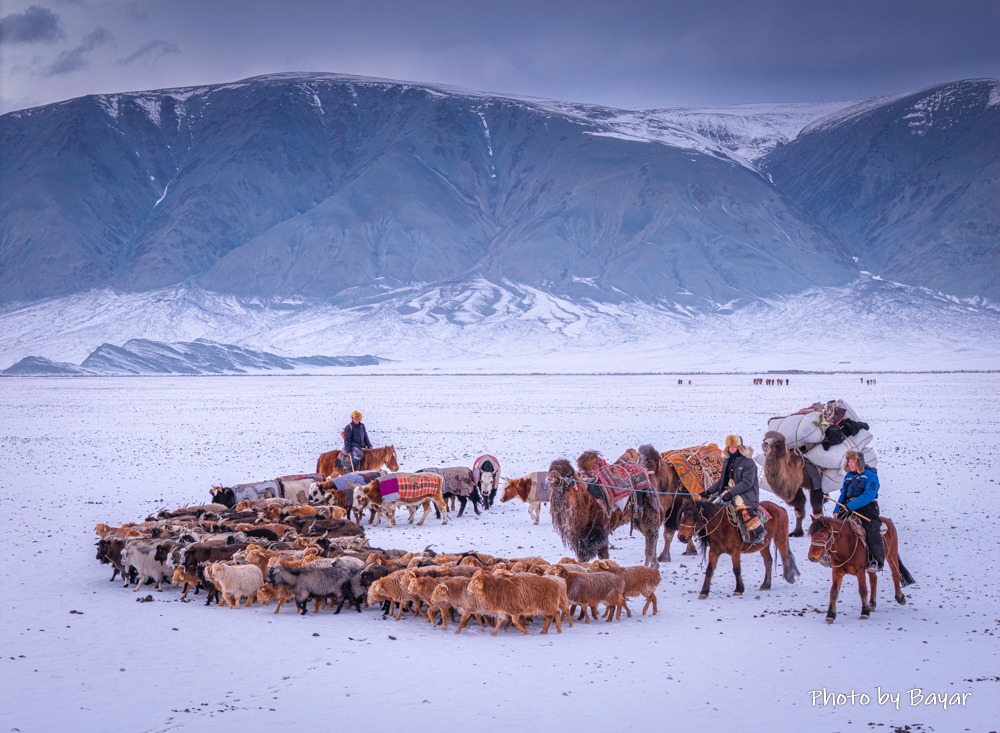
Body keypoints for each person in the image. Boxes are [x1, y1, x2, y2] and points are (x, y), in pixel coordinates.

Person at [704, 434, 765, 544]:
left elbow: (747, 483)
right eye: (730, 447)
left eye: (734, 447)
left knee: (742, 510)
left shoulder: (749, 462)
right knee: (711, 507)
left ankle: (759, 531)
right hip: (728, 491)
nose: (732, 449)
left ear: (739, 448)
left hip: (746, 493)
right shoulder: (727, 462)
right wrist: (708, 491)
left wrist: (730, 493)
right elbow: (722, 481)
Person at [835, 450, 884, 572]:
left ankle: (877, 561)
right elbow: (843, 495)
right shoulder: (848, 477)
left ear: (859, 462)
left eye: (853, 461)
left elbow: (869, 494)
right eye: (849, 461)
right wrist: (837, 510)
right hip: (847, 507)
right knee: (834, 529)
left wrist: (851, 506)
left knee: (871, 530)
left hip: (867, 508)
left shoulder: (870, 475)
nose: (850, 464)